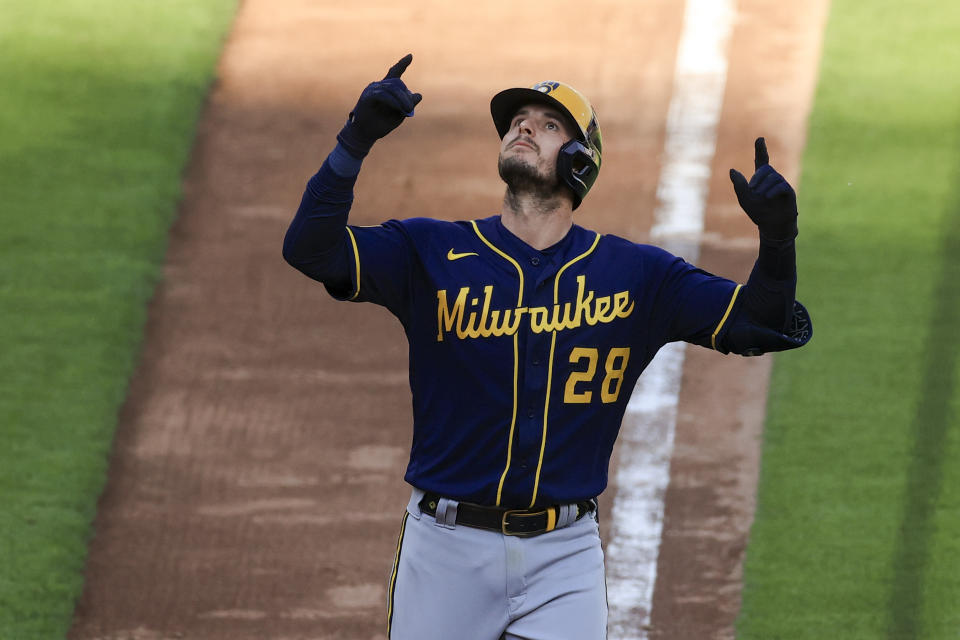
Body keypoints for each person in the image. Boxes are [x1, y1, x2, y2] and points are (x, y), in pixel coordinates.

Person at [282, 54, 811, 640]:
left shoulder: (636, 276)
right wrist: (355, 139)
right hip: (445, 551)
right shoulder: (429, 251)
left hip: (565, 557)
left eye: (549, 123)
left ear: (582, 162)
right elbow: (310, 248)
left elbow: (762, 325)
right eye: (518, 120)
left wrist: (778, 237)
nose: (524, 127)